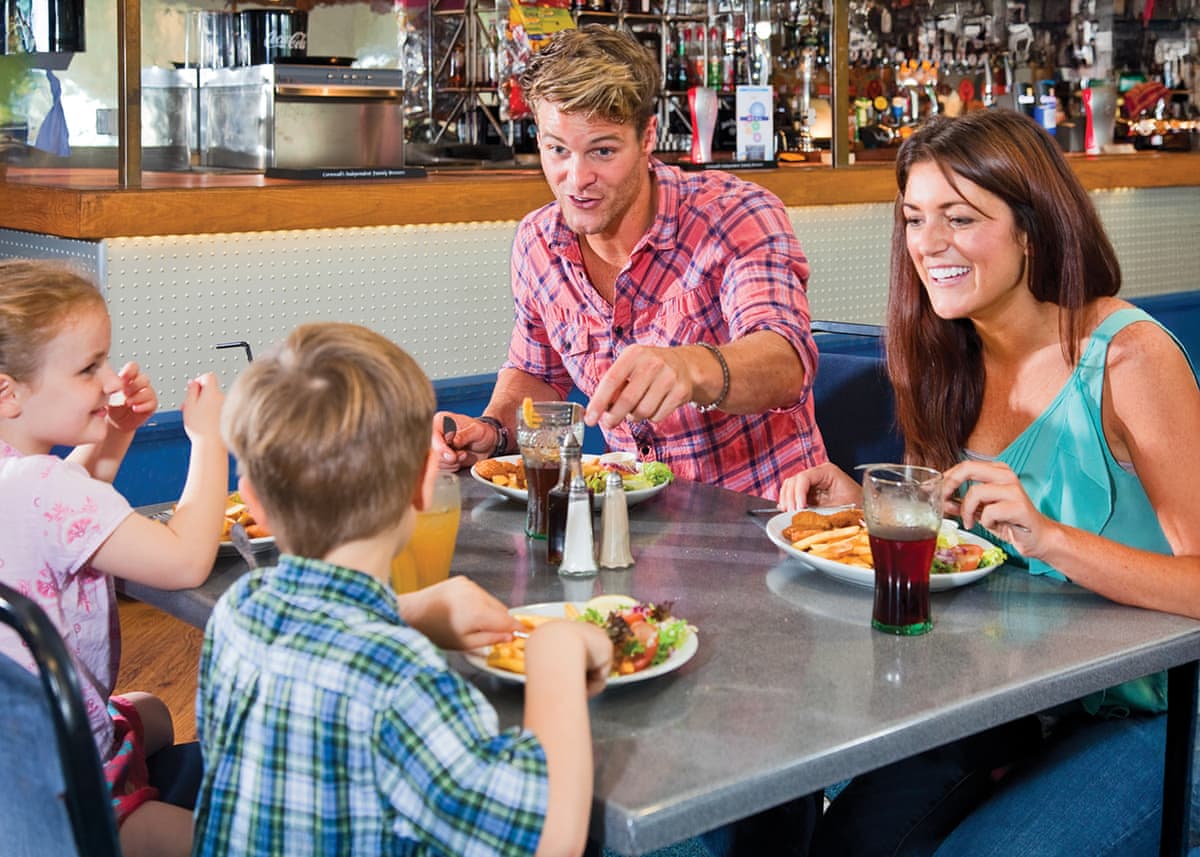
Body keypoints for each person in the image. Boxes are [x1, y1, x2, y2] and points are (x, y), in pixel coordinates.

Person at [780, 109, 1200, 856]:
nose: (928, 243)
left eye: (961, 217)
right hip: (1022, 695)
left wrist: (1052, 539)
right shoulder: (943, 362)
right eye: (915, 218)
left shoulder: (1130, 359)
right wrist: (872, 508)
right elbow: (960, 542)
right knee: (846, 843)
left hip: (1167, 709)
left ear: (1030, 228)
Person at [193, 321, 614, 857]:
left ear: (252, 503)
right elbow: (549, 840)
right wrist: (557, 651)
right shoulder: (401, 680)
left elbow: (323, 634)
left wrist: (406, 610)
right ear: (422, 485)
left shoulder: (237, 610)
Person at [433, 25, 826, 501]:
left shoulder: (734, 214)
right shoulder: (538, 242)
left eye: (602, 151)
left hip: (766, 514)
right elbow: (538, 374)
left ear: (647, 137)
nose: (577, 178)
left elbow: (787, 362)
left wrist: (692, 368)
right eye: (557, 150)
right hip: (636, 522)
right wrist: (492, 432)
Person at [0, 259, 228, 857]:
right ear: (8, 392)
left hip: (18, 737)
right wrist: (208, 439)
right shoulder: (40, 486)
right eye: (87, 368)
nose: (108, 380)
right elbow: (186, 562)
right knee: (228, 842)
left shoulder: (18, 477)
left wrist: (116, 431)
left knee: (153, 713)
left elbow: (57, 519)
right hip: (57, 787)